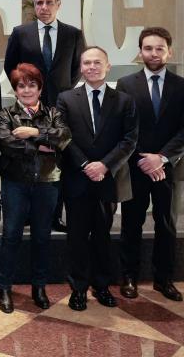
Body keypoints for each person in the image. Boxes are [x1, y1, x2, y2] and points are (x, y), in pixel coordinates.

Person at [117, 27, 184, 302]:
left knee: (167, 224)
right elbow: (125, 126)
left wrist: (161, 158)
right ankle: (129, 276)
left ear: (169, 51)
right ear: (140, 52)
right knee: (132, 222)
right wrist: (143, 158)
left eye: (159, 48)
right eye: (148, 48)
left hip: (170, 167)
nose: (154, 53)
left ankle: (164, 279)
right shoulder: (126, 85)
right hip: (137, 166)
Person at [56, 46, 138, 311]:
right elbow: (63, 135)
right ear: (81, 67)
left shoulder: (124, 101)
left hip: (107, 179)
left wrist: (104, 165)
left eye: (97, 62)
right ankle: (78, 288)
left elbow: (129, 140)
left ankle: (102, 285)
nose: (92, 67)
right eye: (87, 63)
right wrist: (84, 164)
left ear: (108, 66)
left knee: (103, 235)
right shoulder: (66, 99)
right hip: (77, 179)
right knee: (77, 237)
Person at [4, 0, 87, 233]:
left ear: (58, 4)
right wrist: (27, 93)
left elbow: (76, 69)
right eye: (39, 3)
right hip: (30, 105)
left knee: (58, 157)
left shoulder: (73, 34)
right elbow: (11, 66)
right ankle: (30, 212)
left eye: (49, 2)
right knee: (30, 153)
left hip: (61, 105)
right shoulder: (21, 32)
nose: (43, 7)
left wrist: (62, 93)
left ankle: (54, 215)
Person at [0, 63, 71, 313]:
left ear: (40, 88)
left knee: (42, 237)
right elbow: (8, 146)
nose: (27, 90)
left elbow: (63, 138)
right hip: (15, 182)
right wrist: (43, 143)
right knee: (11, 235)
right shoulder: (5, 114)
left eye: (32, 85)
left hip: (47, 182)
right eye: (21, 86)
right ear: (15, 90)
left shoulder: (53, 113)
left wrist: (32, 132)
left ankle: (39, 286)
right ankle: (4, 287)